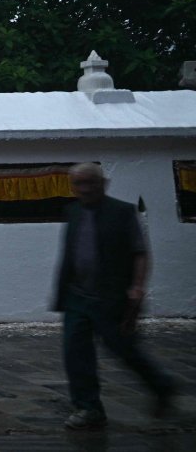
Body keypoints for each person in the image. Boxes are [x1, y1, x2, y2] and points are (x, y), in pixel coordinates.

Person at [51, 162, 175, 430]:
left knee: (124, 349)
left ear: (103, 184)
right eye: (79, 184)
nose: (85, 190)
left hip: (112, 297)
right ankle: (88, 407)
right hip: (77, 296)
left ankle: (161, 385)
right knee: (76, 354)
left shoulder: (121, 212)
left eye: (90, 183)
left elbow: (139, 251)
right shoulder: (72, 211)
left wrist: (137, 287)